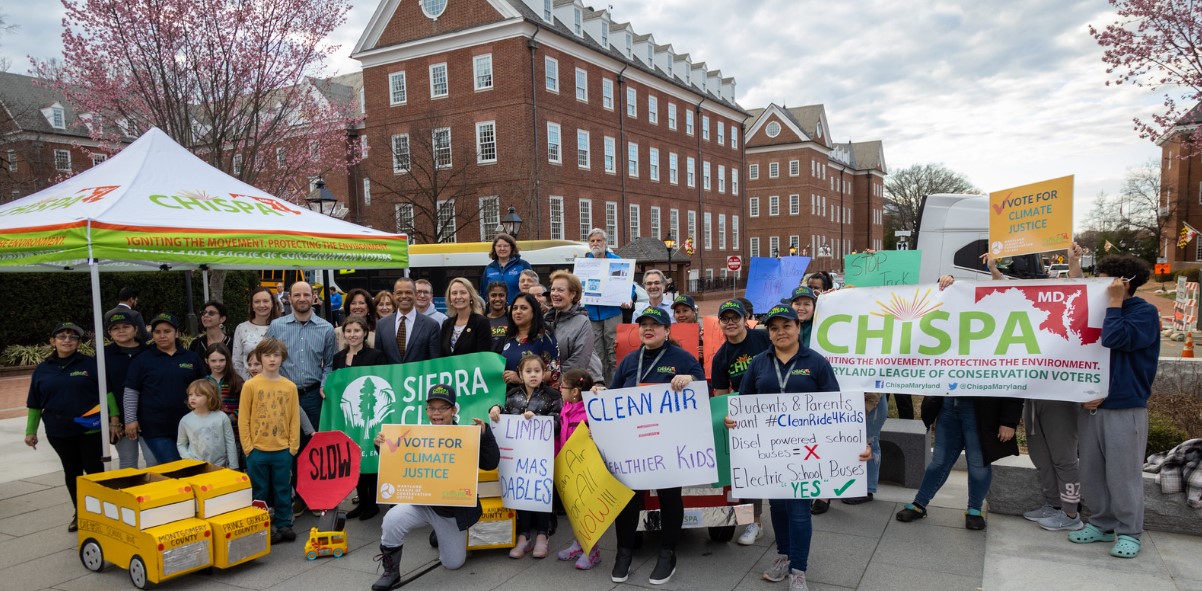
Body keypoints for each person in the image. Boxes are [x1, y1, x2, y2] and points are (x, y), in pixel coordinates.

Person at [727, 304, 869, 591]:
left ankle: (799, 570)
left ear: (797, 328)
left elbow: (837, 408)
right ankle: (783, 556)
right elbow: (744, 402)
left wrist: (856, 441)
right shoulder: (759, 363)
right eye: (774, 328)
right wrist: (733, 420)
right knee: (777, 506)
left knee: (799, 510)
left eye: (786, 326)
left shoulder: (816, 362)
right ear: (768, 333)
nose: (781, 332)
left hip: (807, 453)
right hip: (770, 451)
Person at [895, 276, 1023, 531]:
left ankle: (975, 508)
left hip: (981, 412)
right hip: (949, 408)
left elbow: (1014, 375)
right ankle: (920, 504)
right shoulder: (949, 329)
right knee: (939, 460)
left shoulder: (998, 331)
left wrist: (1009, 420)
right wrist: (949, 282)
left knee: (978, 461)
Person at [601, 306, 704, 586]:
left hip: (668, 444)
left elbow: (703, 387)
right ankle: (623, 553)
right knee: (628, 498)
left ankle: (667, 554)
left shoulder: (681, 358)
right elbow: (614, 396)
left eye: (654, 325)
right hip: (634, 443)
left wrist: (691, 379)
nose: (648, 329)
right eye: (643, 324)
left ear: (667, 330)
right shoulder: (630, 360)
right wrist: (601, 395)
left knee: (670, 497)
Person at [1068, 255, 1160, 558]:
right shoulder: (1102, 308)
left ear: (1125, 282)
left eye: (1105, 278)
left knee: (1124, 474)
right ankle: (1101, 523)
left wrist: (1115, 304)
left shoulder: (1144, 312)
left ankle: (1130, 532)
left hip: (1125, 407)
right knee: (1092, 471)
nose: (1099, 284)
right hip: (1091, 405)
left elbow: (1115, 337)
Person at [373, 384, 500, 591]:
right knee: (391, 520)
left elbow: (490, 463)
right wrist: (381, 447)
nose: (436, 413)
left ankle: (440, 533)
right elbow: (398, 464)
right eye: (432, 408)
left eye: (443, 408)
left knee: (453, 564)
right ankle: (391, 571)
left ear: (454, 410)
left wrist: (485, 436)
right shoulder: (416, 434)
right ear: (426, 411)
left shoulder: (465, 435)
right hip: (420, 503)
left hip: (451, 511)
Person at [1022, 244, 1086, 531]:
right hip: (1033, 396)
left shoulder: (1067, 320)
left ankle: (1071, 514)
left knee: (1063, 457)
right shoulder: (1033, 317)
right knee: (1040, 455)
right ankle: (1053, 503)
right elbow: (1000, 305)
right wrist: (996, 272)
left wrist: (1074, 265)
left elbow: (1081, 295)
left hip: (1060, 396)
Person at [24, 322, 109, 532]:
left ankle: (104, 513)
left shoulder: (90, 364)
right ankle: (80, 512)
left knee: (95, 469)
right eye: (62, 337)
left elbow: (107, 394)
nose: (67, 340)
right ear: (52, 341)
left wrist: (114, 419)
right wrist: (30, 431)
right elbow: (34, 403)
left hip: (90, 428)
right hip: (58, 430)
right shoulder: (43, 369)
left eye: (73, 337)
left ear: (79, 342)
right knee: (72, 471)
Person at [709, 299, 772, 544]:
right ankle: (754, 522)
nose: (730, 322)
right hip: (747, 417)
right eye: (725, 319)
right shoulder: (721, 357)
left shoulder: (763, 337)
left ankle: (787, 515)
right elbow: (721, 398)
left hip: (777, 408)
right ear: (720, 323)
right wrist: (724, 419)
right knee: (749, 470)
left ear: (745, 318)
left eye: (735, 317)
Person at [488, 355, 562, 559]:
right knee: (522, 494)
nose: (533, 375)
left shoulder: (552, 395)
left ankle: (542, 535)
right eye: (528, 371)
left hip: (542, 458)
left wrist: (538, 420)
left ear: (543, 373)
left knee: (541, 493)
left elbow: (558, 422)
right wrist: (494, 409)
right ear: (520, 374)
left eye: (537, 371)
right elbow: (501, 414)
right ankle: (523, 535)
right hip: (518, 457)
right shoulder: (511, 395)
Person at [240, 338, 302, 544]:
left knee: (283, 488)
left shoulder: (289, 387)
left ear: (282, 358)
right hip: (257, 450)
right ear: (260, 358)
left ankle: (284, 524)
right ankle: (263, 525)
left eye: (276, 355)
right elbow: (244, 419)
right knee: (260, 490)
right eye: (267, 355)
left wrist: (292, 447)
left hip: (282, 450)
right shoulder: (250, 385)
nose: (272, 359)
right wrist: (248, 448)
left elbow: (294, 418)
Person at [124, 313, 206, 465]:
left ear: (177, 333)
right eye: (157, 332)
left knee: (192, 466)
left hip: (190, 425)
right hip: (155, 427)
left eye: (167, 331)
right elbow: (131, 390)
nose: (162, 335)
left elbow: (205, 387)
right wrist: (130, 419)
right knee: (172, 465)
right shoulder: (142, 359)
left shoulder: (191, 358)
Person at [333, 315, 387, 520]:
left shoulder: (376, 356)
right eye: (348, 331)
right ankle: (361, 500)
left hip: (370, 414)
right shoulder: (338, 357)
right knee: (352, 456)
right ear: (344, 334)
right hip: (349, 416)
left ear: (365, 333)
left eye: (357, 331)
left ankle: (372, 503)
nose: (352, 335)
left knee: (369, 456)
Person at [264, 281, 336, 431]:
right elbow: (264, 357)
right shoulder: (276, 326)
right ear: (289, 298)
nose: (302, 298)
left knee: (313, 444)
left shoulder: (327, 329)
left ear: (313, 297)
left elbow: (329, 363)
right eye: (297, 295)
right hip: (282, 395)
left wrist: (324, 384)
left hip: (313, 396)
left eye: (306, 295)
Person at [554, 368, 602, 570]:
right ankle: (578, 544)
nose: (560, 389)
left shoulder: (591, 409)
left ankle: (593, 551)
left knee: (587, 510)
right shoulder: (565, 408)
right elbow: (561, 437)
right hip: (569, 467)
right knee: (574, 510)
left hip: (587, 469)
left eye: (563, 386)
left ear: (575, 391)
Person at [103, 308, 152, 470]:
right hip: (120, 420)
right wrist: (114, 419)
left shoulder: (149, 352)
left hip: (149, 417)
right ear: (110, 333)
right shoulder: (104, 356)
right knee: (128, 462)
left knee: (154, 461)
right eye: (115, 328)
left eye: (126, 326)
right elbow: (105, 389)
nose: (121, 331)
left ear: (135, 329)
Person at [584, 228, 633, 383]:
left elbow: (628, 285)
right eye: (592, 241)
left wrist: (628, 298)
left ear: (605, 243)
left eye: (599, 240)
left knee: (614, 351)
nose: (595, 244)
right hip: (591, 314)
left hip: (612, 313)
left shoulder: (616, 261)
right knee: (597, 354)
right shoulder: (584, 264)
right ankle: (600, 384)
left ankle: (616, 385)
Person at [546, 271, 603, 381]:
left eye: (560, 290)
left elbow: (579, 360)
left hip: (570, 385)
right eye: (553, 289)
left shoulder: (582, 323)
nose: (554, 293)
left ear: (573, 294)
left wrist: (554, 376)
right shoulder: (546, 320)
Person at [375, 277, 441, 364]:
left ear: (415, 294)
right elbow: (379, 360)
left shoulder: (431, 325)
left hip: (419, 376)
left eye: (408, 292)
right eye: (399, 293)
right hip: (390, 377)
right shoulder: (382, 325)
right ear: (394, 295)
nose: (404, 296)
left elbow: (435, 362)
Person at [500, 293, 560, 387]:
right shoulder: (510, 337)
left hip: (535, 398)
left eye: (523, 308)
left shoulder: (545, 338)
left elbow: (554, 374)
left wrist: (521, 379)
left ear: (534, 311)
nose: (518, 311)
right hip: (509, 397)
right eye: (515, 308)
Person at [177, 379, 239, 468]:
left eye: (198, 395)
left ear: (210, 397)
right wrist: (190, 461)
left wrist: (234, 466)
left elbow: (230, 442)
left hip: (220, 466)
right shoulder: (185, 420)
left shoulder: (222, 417)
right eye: (190, 394)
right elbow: (181, 444)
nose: (192, 398)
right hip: (196, 468)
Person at [204, 344, 244, 463]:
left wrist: (230, 419)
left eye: (222, 360)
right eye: (213, 361)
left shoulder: (237, 381)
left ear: (228, 360)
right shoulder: (203, 383)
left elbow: (245, 406)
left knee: (235, 467)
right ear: (206, 361)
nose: (218, 364)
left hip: (235, 433)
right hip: (212, 436)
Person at [233, 286, 280, 380]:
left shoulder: (281, 327)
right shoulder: (241, 328)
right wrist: (250, 382)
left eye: (266, 301)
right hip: (249, 384)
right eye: (257, 301)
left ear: (272, 304)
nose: (262, 305)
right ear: (252, 305)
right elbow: (236, 361)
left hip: (275, 384)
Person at [439, 278, 494, 356]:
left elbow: (484, 355)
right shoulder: (446, 324)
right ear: (450, 298)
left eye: (463, 293)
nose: (458, 296)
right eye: (454, 293)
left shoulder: (481, 322)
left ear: (471, 296)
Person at [481, 233, 532, 305]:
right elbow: (484, 292)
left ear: (511, 247)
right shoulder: (489, 269)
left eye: (505, 246)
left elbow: (532, 288)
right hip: (496, 312)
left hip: (517, 310)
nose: (502, 248)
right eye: (499, 246)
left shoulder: (523, 265)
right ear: (494, 248)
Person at [485, 281, 511, 349]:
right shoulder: (482, 320)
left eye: (501, 295)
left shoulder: (512, 319)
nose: (497, 299)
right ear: (488, 298)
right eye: (493, 295)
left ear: (506, 297)